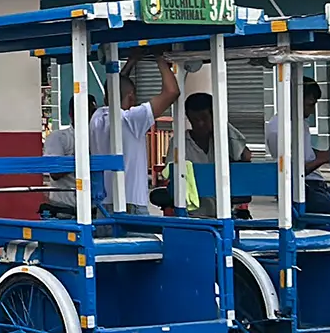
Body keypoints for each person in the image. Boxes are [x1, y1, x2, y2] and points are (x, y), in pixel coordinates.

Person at [90, 56, 181, 215]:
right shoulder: (130, 119)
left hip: (103, 206)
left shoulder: (97, 117)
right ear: (131, 96)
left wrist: (133, 59)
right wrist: (160, 59)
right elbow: (172, 92)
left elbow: (115, 87)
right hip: (131, 204)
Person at [153, 92, 254, 218]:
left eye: (204, 118)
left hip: (223, 212)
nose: (200, 124)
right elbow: (169, 173)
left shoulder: (223, 140)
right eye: (194, 120)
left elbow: (245, 156)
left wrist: (222, 125)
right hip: (191, 214)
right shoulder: (180, 142)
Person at [269, 80, 330, 214]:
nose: (312, 111)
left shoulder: (299, 122)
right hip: (305, 188)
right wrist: (323, 159)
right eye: (310, 105)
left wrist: (326, 154)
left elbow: (306, 153)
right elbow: (293, 170)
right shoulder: (280, 128)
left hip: (313, 185)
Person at [40, 98, 98, 219]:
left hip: (94, 209)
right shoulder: (59, 138)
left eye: (92, 112)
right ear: (72, 114)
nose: (89, 116)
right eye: (86, 111)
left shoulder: (98, 138)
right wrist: (80, 156)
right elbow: (55, 172)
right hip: (64, 208)